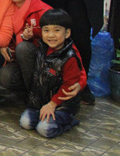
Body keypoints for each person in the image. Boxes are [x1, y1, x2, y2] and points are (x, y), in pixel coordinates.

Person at [19, 9, 84, 138]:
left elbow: (69, 86)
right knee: (25, 122)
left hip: (61, 105)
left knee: (44, 129)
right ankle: (44, 115)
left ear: (67, 33)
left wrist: (52, 104)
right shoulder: (43, 47)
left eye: (57, 30)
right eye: (46, 30)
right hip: (42, 102)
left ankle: (69, 120)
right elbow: (37, 32)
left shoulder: (70, 57)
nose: (51, 35)